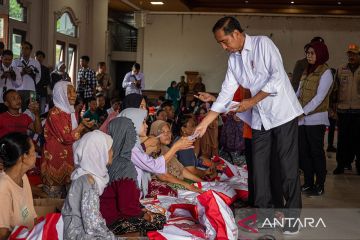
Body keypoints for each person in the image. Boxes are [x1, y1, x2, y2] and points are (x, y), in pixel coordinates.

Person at [195, 16, 303, 234]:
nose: (224, 47)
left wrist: (252, 101)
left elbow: (277, 78)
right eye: (220, 44)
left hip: (282, 114)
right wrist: (206, 123)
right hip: (260, 118)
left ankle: (292, 218)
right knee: (258, 170)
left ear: (236, 34)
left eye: (224, 41)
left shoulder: (264, 44)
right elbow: (226, 92)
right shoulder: (234, 59)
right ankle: (265, 216)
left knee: (287, 167)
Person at [99, 116, 167, 236]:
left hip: (102, 214)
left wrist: (142, 208)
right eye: (131, 132)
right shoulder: (124, 164)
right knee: (160, 220)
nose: (134, 137)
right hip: (112, 220)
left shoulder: (107, 157)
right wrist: (145, 214)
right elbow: (127, 208)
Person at [41, 81, 94, 197]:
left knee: (69, 198)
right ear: (60, 94)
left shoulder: (72, 112)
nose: (74, 95)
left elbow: (75, 134)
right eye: (69, 92)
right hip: (55, 159)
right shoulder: (54, 113)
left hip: (70, 158)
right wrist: (81, 127)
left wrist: (85, 127)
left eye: (74, 91)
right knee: (53, 197)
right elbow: (65, 138)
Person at [62, 130, 116, 240]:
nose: (112, 152)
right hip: (77, 234)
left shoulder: (86, 176)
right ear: (98, 151)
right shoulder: (88, 180)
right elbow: (92, 225)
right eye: (109, 148)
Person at [297, 41, 333, 196]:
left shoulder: (326, 72)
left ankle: (320, 184)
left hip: (316, 119)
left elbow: (319, 98)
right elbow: (298, 93)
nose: (309, 56)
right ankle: (309, 183)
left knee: (316, 152)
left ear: (320, 54)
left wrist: (303, 112)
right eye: (308, 53)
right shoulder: (306, 71)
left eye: (312, 53)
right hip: (302, 120)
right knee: (303, 152)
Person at [148, 120, 202, 196]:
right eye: (162, 132)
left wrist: (201, 181)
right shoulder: (151, 151)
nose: (167, 134)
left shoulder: (165, 148)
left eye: (168, 131)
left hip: (173, 180)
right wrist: (188, 186)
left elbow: (181, 170)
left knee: (199, 188)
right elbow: (164, 176)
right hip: (160, 185)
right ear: (155, 134)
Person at [0, 133, 37, 240]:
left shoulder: (23, 177)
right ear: (24, 157)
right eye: (33, 151)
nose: (36, 154)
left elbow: (32, 216)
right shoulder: (3, 187)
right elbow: (2, 234)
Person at [333, 44, 360, 175]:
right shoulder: (340, 70)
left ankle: (358, 165)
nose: (351, 56)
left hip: (358, 111)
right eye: (349, 54)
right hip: (343, 111)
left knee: (358, 140)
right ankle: (341, 164)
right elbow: (334, 91)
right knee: (343, 140)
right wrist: (333, 109)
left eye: (354, 54)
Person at [12, 41, 41, 112]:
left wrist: (33, 82)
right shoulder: (16, 62)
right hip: (18, 89)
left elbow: (38, 76)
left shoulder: (35, 62)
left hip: (32, 90)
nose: (24, 50)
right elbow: (13, 76)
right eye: (22, 48)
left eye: (26, 48)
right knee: (18, 109)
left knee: (32, 109)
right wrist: (22, 73)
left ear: (31, 50)